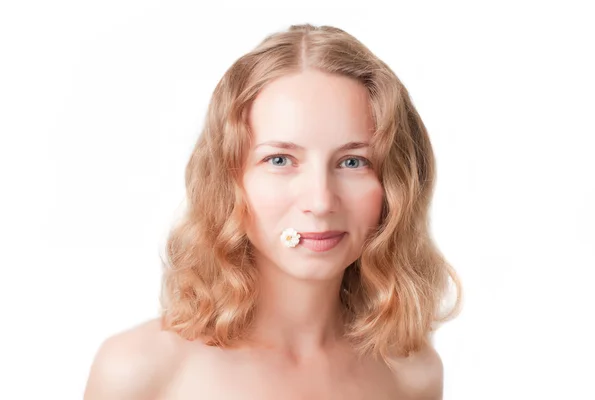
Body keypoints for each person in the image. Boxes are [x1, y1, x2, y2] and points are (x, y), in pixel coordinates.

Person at [84, 23, 462, 400]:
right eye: (280, 159)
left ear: (398, 185)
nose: (320, 201)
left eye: (352, 162)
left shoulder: (412, 374)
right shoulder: (141, 370)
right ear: (229, 177)